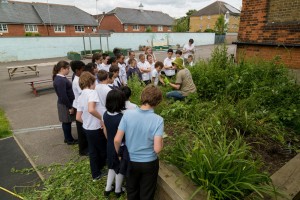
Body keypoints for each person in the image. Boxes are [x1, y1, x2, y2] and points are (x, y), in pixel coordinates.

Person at [114, 85, 164, 200]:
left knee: (131, 191)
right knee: (147, 194)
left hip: (130, 160)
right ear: (157, 102)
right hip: (149, 163)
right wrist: (161, 141)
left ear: (142, 96)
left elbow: (117, 139)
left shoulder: (127, 115)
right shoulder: (158, 120)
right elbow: (157, 149)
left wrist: (119, 154)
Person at [76, 72, 107, 181]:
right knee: (103, 149)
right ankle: (107, 167)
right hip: (95, 128)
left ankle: (96, 173)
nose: (95, 84)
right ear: (90, 82)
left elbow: (78, 117)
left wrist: (87, 122)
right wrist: (101, 119)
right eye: (94, 82)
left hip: (87, 128)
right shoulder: (92, 93)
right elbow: (91, 109)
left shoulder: (80, 96)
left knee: (93, 151)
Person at [103, 89, 126, 198]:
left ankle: (108, 188)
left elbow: (105, 130)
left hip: (109, 144)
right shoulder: (121, 118)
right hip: (119, 147)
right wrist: (119, 152)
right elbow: (122, 137)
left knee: (112, 166)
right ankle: (118, 190)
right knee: (120, 169)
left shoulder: (105, 114)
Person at [52, 61, 77, 145]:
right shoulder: (60, 80)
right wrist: (70, 107)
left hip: (65, 103)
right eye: (68, 68)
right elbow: (63, 96)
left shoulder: (61, 78)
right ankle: (69, 140)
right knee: (66, 122)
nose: (69, 70)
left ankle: (68, 138)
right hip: (65, 104)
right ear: (62, 69)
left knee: (67, 121)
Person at [70, 61, 88, 155]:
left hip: (81, 105)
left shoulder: (79, 78)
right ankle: (83, 150)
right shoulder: (77, 81)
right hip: (79, 106)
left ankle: (85, 147)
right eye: (82, 69)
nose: (83, 71)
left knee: (83, 129)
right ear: (77, 70)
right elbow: (83, 92)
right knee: (81, 130)